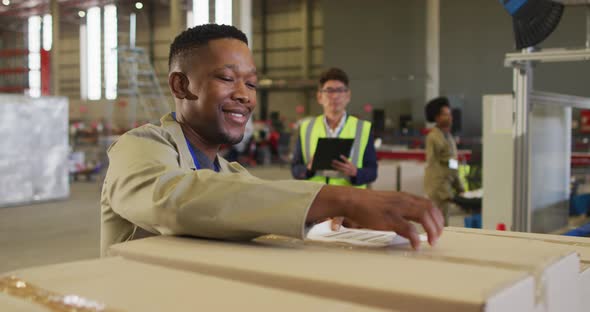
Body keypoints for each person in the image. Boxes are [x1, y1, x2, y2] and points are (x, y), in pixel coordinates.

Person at [100, 24, 443, 257]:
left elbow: (253, 206)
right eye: (226, 78)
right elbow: (173, 201)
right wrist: (340, 198)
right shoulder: (139, 147)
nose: (244, 96)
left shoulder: (231, 174)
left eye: (251, 84)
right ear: (180, 86)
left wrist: (324, 217)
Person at [291, 68, 377, 188]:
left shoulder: (363, 129)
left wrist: (356, 172)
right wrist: (308, 168)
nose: (335, 96)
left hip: (350, 202)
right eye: (329, 90)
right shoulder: (306, 128)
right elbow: (295, 169)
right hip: (317, 200)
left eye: (340, 90)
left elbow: (372, 172)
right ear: (319, 97)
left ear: (348, 96)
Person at [423, 97, 464, 226]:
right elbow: (432, 163)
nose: (449, 117)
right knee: (438, 223)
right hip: (438, 188)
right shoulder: (433, 137)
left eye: (449, 114)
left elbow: (453, 163)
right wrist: (442, 188)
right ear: (437, 117)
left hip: (447, 186)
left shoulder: (449, 137)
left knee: (444, 223)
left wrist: (458, 186)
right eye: (445, 114)